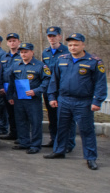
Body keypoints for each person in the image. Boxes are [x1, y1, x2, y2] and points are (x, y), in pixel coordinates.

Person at [45, 33, 106, 170]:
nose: (73, 47)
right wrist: (52, 97)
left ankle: (90, 158)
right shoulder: (61, 59)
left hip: (83, 102)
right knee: (62, 127)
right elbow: (54, 80)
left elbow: (100, 84)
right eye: (70, 45)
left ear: (83, 45)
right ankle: (59, 151)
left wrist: (97, 101)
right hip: (64, 100)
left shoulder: (93, 61)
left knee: (86, 130)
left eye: (76, 44)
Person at [6, 43, 50, 154]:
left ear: (32, 52)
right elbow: (11, 82)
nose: (23, 54)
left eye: (26, 52)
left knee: (35, 122)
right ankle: (24, 142)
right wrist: (10, 95)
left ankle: (35, 145)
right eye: (21, 52)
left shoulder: (40, 66)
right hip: (19, 98)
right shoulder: (16, 65)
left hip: (33, 99)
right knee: (21, 121)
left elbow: (47, 81)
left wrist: (36, 91)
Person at [41, 26, 69, 149]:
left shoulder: (67, 51)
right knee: (52, 117)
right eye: (49, 36)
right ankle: (54, 140)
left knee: (65, 118)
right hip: (49, 89)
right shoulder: (45, 52)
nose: (52, 38)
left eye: (54, 36)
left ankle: (66, 143)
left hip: (62, 89)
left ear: (59, 37)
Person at [0, 33, 22, 140]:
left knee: (20, 113)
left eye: (14, 40)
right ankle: (12, 133)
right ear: (7, 43)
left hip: (19, 89)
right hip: (6, 88)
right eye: (10, 41)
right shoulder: (4, 57)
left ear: (19, 42)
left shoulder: (22, 54)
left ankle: (21, 135)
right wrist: (1, 87)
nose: (12, 43)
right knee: (10, 113)